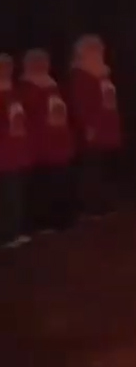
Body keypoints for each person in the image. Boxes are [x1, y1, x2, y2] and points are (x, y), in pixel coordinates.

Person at [18, 48, 76, 234]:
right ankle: (41, 222)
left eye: (43, 62)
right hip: (40, 144)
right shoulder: (25, 87)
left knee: (59, 182)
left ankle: (59, 219)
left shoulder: (52, 85)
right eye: (36, 62)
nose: (41, 65)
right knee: (42, 185)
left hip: (59, 142)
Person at [68, 34, 123, 217]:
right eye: (92, 49)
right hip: (93, 130)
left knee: (104, 167)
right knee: (91, 168)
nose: (98, 52)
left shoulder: (103, 73)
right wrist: (88, 126)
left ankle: (103, 203)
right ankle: (91, 206)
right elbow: (81, 103)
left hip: (107, 128)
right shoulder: (81, 75)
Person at [0, 53, 31, 250]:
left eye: (9, 67)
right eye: (3, 67)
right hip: (3, 150)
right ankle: (5, 235)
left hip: (15, 148)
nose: (7, 70)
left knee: (14, 191)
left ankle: (12, 231)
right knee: (6, 192)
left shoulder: (13, 90)